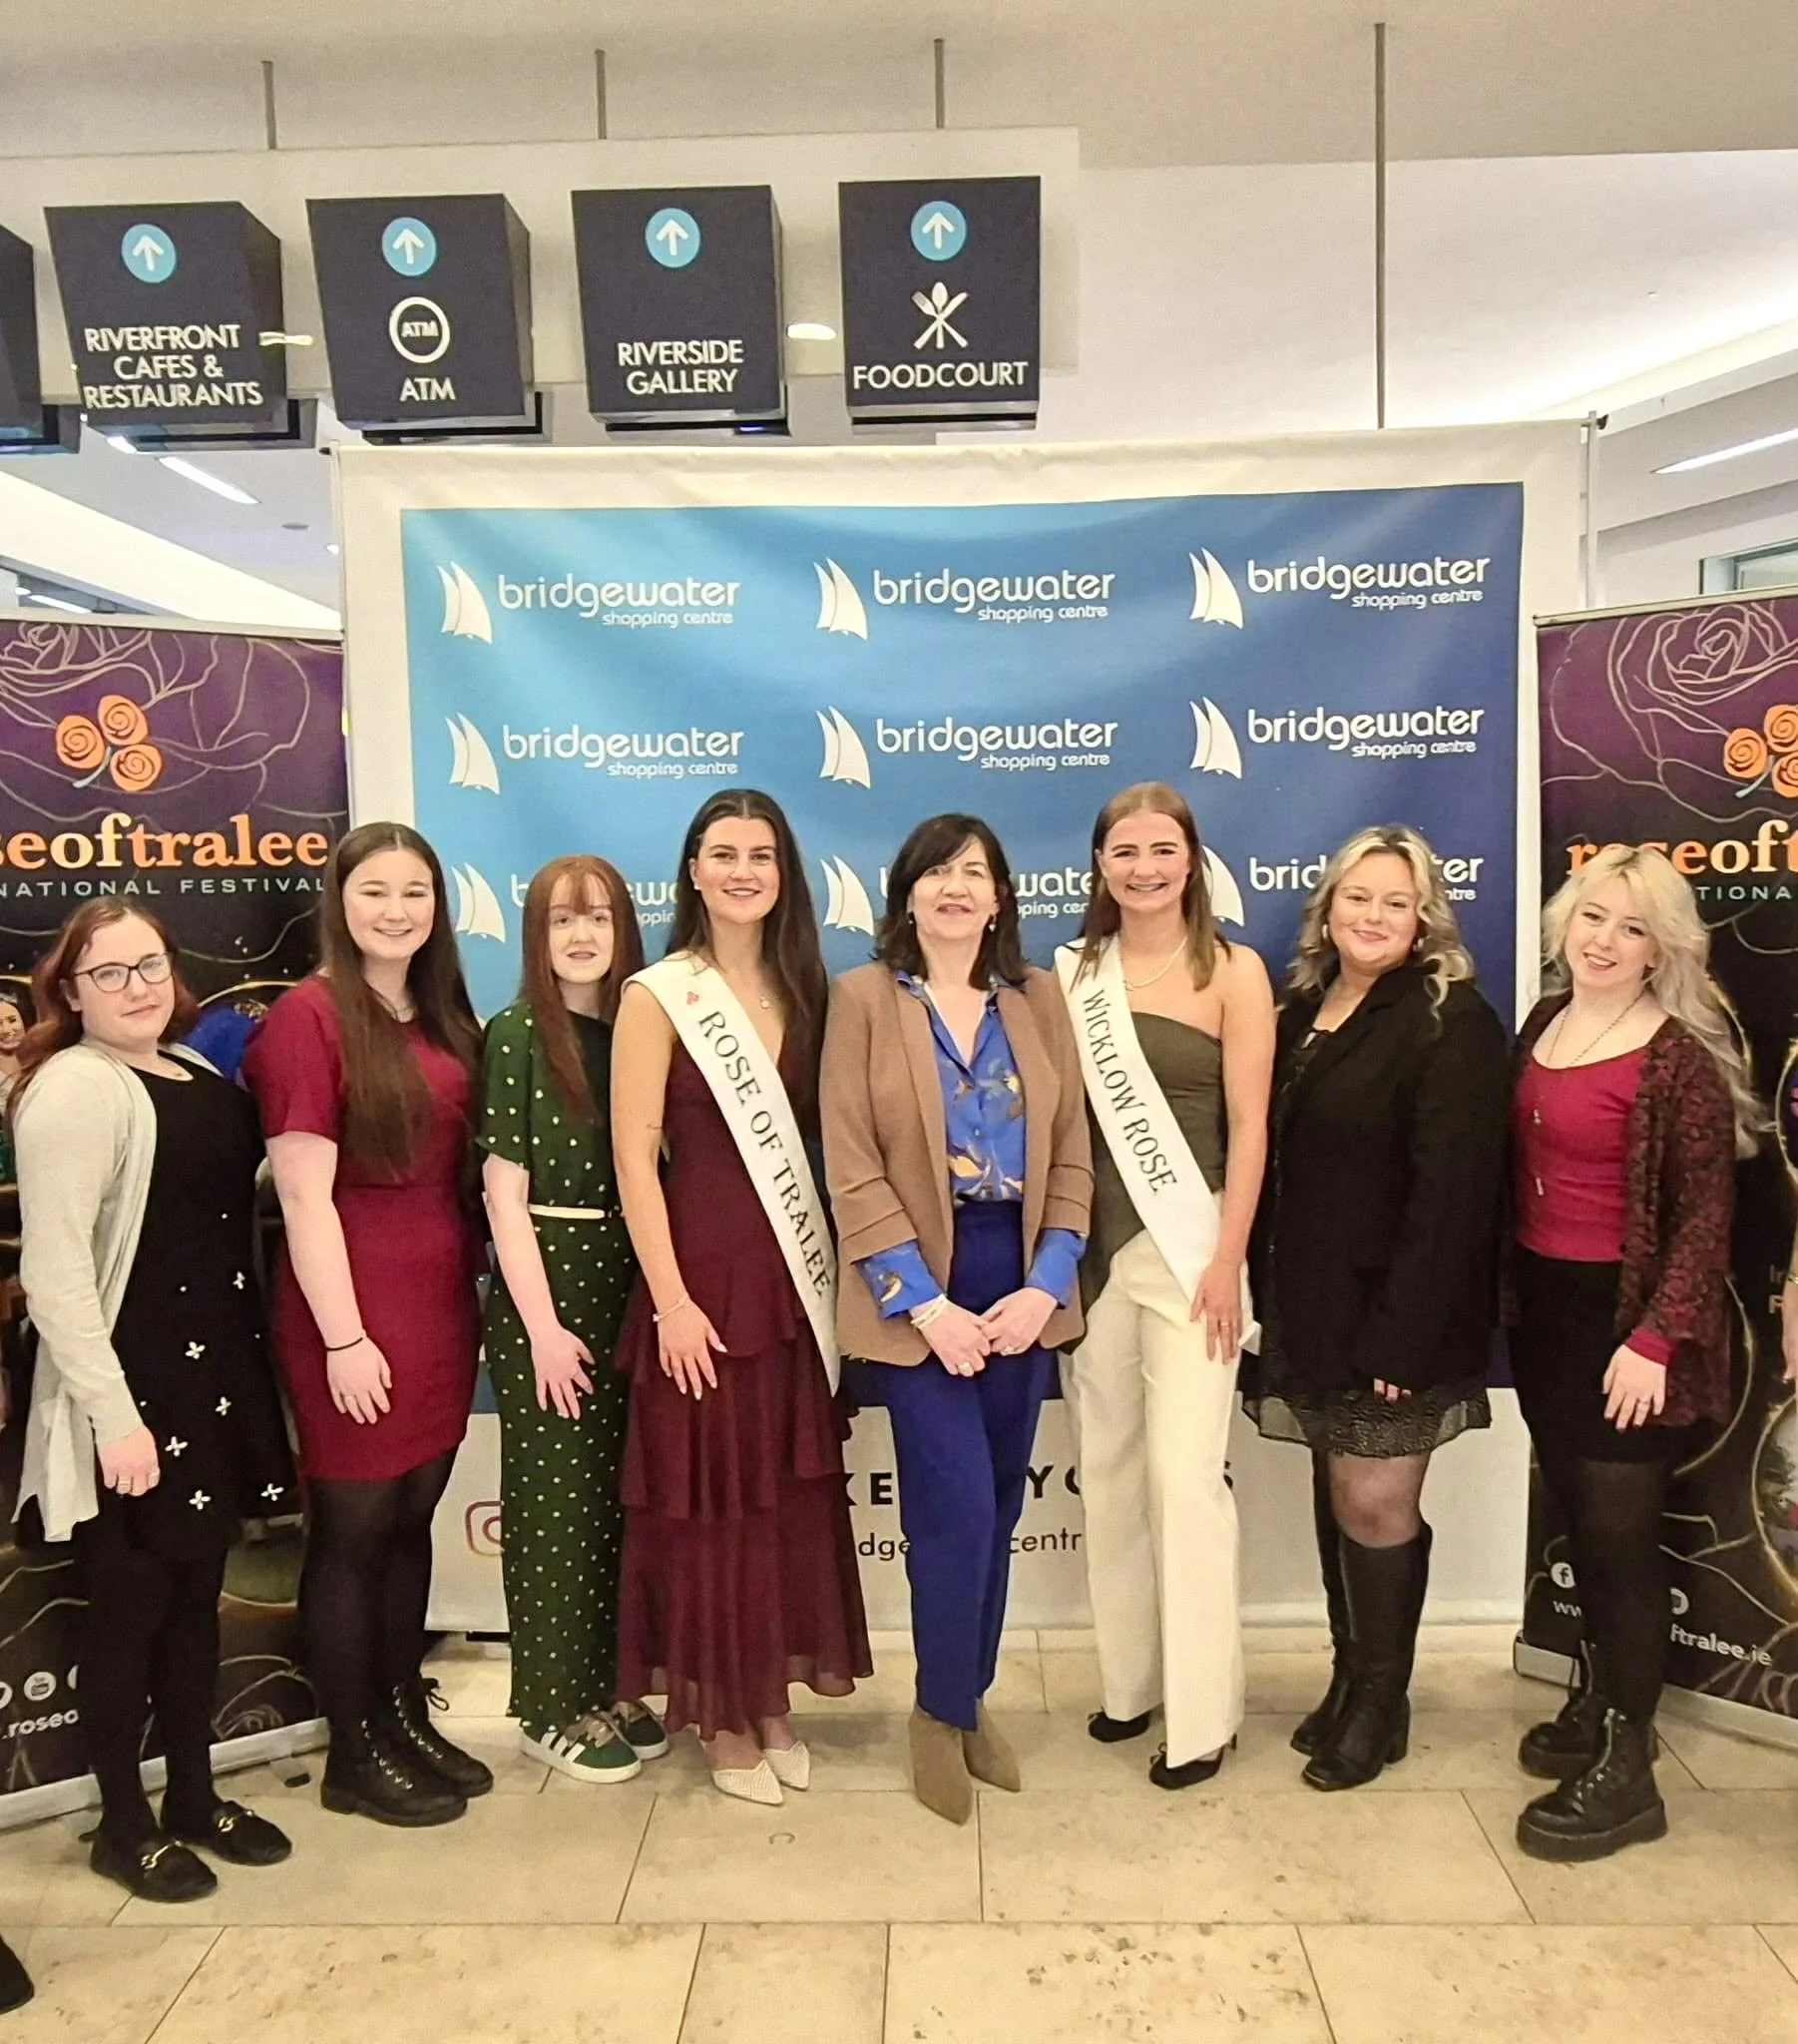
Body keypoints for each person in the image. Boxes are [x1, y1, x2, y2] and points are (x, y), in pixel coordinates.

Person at [11, 903, 296, 1900]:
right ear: (69, 990)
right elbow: (55, 1275)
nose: (135, 985)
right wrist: (114, 1416)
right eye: (108, 972)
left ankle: (193, 1794)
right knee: (127, 1613)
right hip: (131, 1395)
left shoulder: (191, 1070)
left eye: (149, 964)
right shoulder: (72, 1090)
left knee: (192, 1606)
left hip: (210, 1383)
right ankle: (122, 1823)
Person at [823, 813, 1093, 1824]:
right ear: (907, 893)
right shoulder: (860, 999)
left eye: (973, 872)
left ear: (999, 897)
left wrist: (1046, 1283)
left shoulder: (1037, 998)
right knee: (956, 1507)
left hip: (1018, 1282)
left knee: (1003, 1506)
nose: (954, 886)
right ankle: (937, 1713)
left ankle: (968, 1696)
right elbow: (851, 1163)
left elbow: (1072, 1153)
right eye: (936, 870)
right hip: (915, 1291)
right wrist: (925, 1305)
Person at [611, 790, 870, 1805]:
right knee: (712, 1504)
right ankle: (721, 1715)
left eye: (761, 855)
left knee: (777, 1501)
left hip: (791, 1280)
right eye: (723, 853)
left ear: (783, 873)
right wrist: (669, 1301)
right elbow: (634, 1157)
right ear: (692, 870)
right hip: (700, 1279)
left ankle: (770, 1702)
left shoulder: (808, 989)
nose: (742, 871)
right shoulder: (659, 995)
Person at [1246, 823, 1509, 1790]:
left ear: (1423, 918)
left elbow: (1453, 1196)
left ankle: (1381, 1705)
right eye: (1357, 898)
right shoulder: (1300, 1010)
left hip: (1398, 1319)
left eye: (1395, 902)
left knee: (1374, 1499)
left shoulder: (1450, 1018)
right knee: (1337, 1491)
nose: (1372, 916)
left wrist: (1402, 1335)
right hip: (1310, 1307)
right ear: (1327, 909)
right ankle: (1349, 1678)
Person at [1510, 844, 1754, 1861]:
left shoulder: (1678, 1061)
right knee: (1577, 1515)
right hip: (1545, 1315)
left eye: (1632, 926)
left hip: (1629, 1327)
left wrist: (1654, 1338)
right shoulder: (1543, 1023)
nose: (1605, 940)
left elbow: (1705, 1220)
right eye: (1592, 917)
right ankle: (1600, 1700)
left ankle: (1629, 1769)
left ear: (1662, 948)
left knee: (1618, 1543)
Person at [244, 822, 489, 1826]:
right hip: (352, 1303)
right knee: (351, 1533)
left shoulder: (439, 1010)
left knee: (411, 1520)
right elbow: (304, 1196)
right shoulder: (307, 1018)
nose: (396, 910)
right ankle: (351, 1751)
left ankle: (400, 1715)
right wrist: (344, 1337)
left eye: (414, 892)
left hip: (439, 1299)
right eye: (374, 891)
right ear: (338, 903)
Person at [1057, 784, 1274, 1788]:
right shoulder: (1072, 974)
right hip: (1093, 1257)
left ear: (1191, 859)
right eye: (1124, 851)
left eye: (1161, 849)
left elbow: (1252, 1127)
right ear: (1099, 864)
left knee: (1185, 1483)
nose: (1143, 868)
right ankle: (1131, 1683)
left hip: (1193, 1257)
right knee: (1106, 1476)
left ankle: (1202, 1717)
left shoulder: (1232, 970)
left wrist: (1226, 1259)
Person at [478, 854, 668, 1783]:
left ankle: (607, 1683)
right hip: (547, 1294)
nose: (582, 936)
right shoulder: (517, 1034)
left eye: (597, 917)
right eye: (561, 920)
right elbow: (503, 1196)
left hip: (628, 1286)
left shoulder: (640, 1029)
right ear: (536, 936)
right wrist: (544, 1331)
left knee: (612, 1505)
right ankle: (548, 1705)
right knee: (553, 1508)